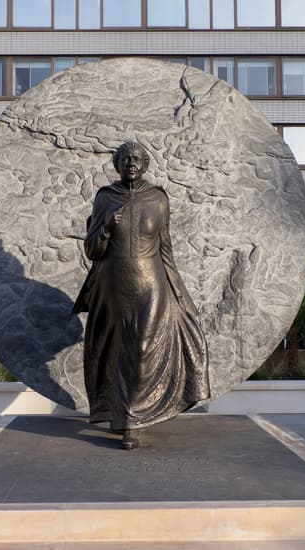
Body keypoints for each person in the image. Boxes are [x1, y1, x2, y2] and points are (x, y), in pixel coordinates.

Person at [73, 141, 210, 450]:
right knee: (118, 351)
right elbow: (92, 249)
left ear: (145, 165)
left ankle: (136, 417)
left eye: (136, 159)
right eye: (125, 159)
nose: (131, 163)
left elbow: (166, 248)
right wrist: (106, 227)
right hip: (113, 283)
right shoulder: (105, 198)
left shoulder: (158, 199)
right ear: (117, 165)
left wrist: (181, 293)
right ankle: (125, 421)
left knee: (143, 347)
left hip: (151, 281)